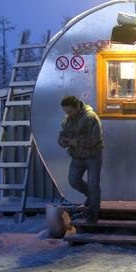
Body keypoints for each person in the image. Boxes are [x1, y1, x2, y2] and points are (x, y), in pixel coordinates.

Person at [58, 95, 104, 223]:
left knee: (93, 184)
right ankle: (91, 197)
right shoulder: (67, 120)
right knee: (73, 180)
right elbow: (61, 136)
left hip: (93, 156)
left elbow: (96, 139)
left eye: (70, 111)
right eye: (66, 112)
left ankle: (93, 214)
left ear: (77, 107)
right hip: (77, 156)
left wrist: (77, 141)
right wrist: (64, 141)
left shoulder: (91, 118)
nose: (68, 114)